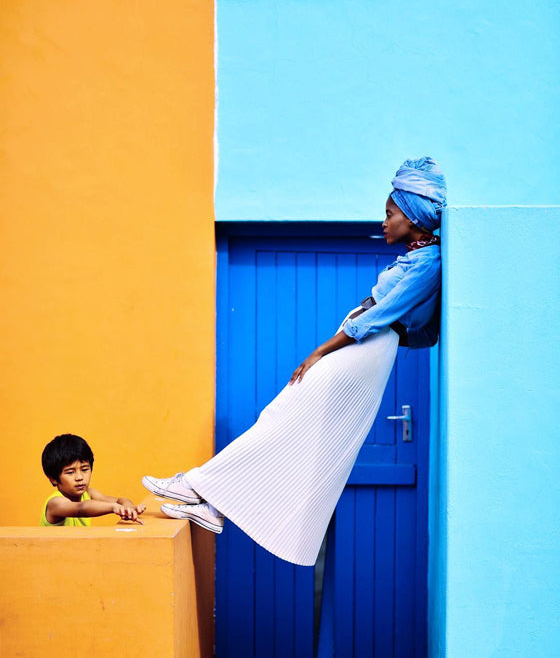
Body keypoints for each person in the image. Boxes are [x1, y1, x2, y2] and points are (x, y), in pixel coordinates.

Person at [143, 156, 446, 566]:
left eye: (390, 214)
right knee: (281, 417)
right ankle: (212, 503)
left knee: (284, 418)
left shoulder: (428, 264)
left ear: (412, 217)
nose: (384, 222)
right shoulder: (420, 258)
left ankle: (196, 485)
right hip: (365, 347)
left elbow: (378, 318)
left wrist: (320, 350)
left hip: (363, 349)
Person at [40, 433, 146, 526]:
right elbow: (81, 508)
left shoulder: (89, 494)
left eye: (84, 469)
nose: (79, 477)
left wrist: (128, 508)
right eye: (70, 472)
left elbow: (121, 500)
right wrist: (114, 507)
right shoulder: (55, 503)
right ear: (53, 478)